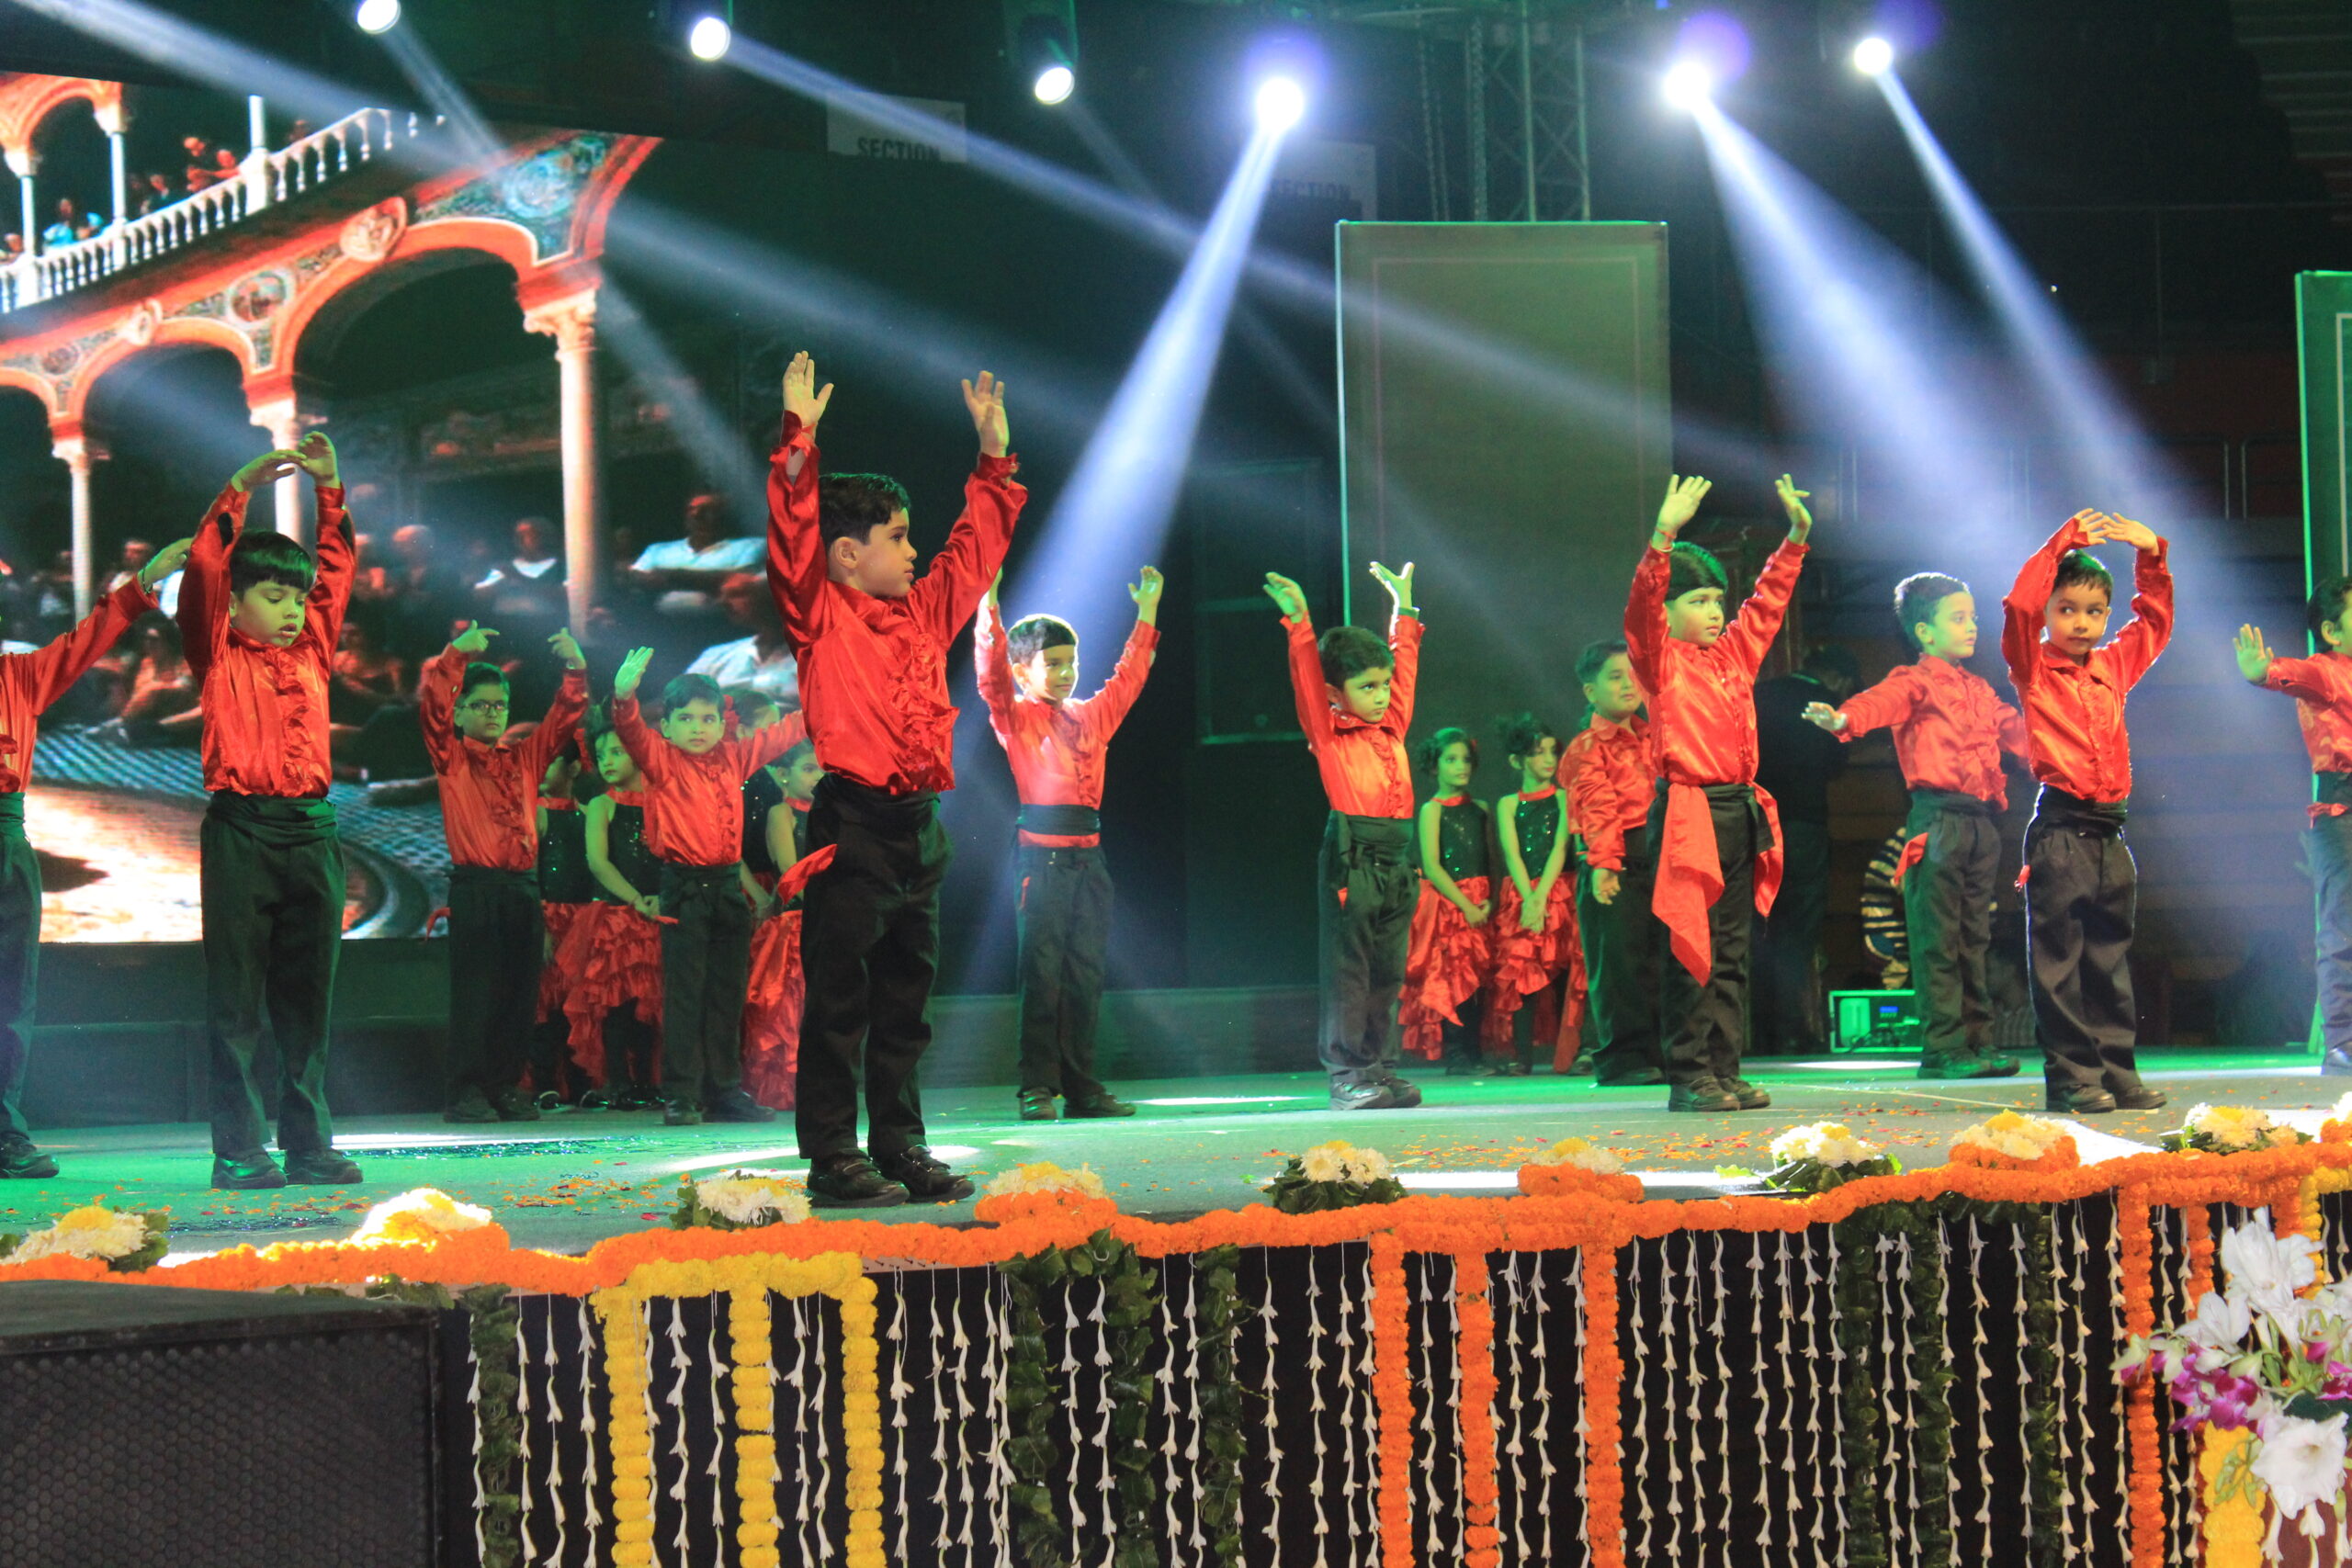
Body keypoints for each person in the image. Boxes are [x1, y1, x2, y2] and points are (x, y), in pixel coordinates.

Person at [768, 352, 1021, 1206]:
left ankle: (900, 1143)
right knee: (840, 1002)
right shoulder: (820, 614)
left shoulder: (921, 612)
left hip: (918, 826)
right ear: (847, 554)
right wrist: (799, 440)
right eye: (899, 537)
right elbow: (792, 538)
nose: (915, 551)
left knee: (906, 1001)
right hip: (853, 827)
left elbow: (973, 552)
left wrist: (993, 458)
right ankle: (833, 1155)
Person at [175, 433, 366, 1190]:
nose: (292, 609)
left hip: (312, 831)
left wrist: (330, 490)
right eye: (275, 596)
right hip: (242, 831)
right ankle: (238, 1148)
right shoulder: (215, 649)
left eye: (297, 597)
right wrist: (240, 486)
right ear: (236, 601)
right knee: (236, 1002)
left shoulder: (313, 648)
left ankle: (308, 1143)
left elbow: (337, 570)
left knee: (307, 999)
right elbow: (203, 568)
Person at [0, 537, 190, 1178]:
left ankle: (3, 1131)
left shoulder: (18, 676)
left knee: (10, 997)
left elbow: (88, 640)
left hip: (6, 841)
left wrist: (144, 582)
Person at [1626, 474, 1815, 1112]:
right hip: (1690, 811)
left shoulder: (1732, 656)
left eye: (1716, 599)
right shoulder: (1658, 661)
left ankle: (1724, 1066)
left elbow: (1766, 605)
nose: (1714, 611)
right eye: (1699, 600)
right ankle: (1689, 1074)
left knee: (1732, 950)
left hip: (1738, 807)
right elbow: (1641, 608)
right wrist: (1662, 537)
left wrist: (1795, 539)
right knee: (1693, 947)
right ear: (1669, 610)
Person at [1805, 572, 2029, 1079]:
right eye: (1958, 618)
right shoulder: (1915, 681)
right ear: (1924, 632)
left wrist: (2064, 751)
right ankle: (1943, 1047)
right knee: (1937, 939)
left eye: (1972, 617)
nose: (1971, 626)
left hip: (1980, 821)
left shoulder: (1978, 689)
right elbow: (1879, 702)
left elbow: (2017, 733)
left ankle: (1978, 1040)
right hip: (1939, 818)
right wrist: (1844, 720)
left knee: (1974, 938)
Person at [973, 565, 1162, 1122]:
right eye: (1052, 663)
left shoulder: (1092, 717)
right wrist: (989, 604)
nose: (1065, 673)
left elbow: (1130, 677)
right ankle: (1036, 1087)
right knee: (1042, 974)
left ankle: (1082, 1087)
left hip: (1088, 858)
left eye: (1071, 662)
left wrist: (1147, 612)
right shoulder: (1014, 717)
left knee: (1085, 974)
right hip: (1042, 859)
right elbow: (989, 675)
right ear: (1022, 671)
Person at [2001, 510, 2173, 1115]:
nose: (2081, 622)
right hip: (2061, 830)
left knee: (2109, 960)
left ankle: (2116, 1071)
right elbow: (2018, 607)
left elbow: (2153, 622)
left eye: (2095, 611)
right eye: (2067, 608)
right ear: (2049, 613)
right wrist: (2060, 543)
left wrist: (2151, 557)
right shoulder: (2032, 666)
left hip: (2110, 833)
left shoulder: (2113, 666)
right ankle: (2072, 1076)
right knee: (2059, 964)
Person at [610, 656, 805, 1126]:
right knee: (685, 996)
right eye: (686, 719)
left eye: (707, 718)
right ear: (668, 726)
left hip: (725, 888)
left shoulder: (735, 756)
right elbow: (631, 730)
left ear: (722, 723)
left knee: (726, 994)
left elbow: (785, 732)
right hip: (683, 888)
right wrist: (623, 696)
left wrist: (822, 689)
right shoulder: (660, 758)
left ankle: (724, 1091)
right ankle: (681, 1094)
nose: (697, 728)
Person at [1265, 559, 1425, 1112]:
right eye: (1367, 687)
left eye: (1383, 685)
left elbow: (1405, 668)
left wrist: (1405, 611)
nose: (1381, 695)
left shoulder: (1391, 724)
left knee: (1388, 971)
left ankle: (1379, 1065)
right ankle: (1347, 1073)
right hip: (1353, 854)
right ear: (1336, 693)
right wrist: (1300, 622)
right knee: (1350, 970)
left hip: (1398, 858)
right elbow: (1307, 681)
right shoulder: (1328, 731)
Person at [420, 621, 588, 1122]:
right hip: (477, 889)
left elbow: (562, 720)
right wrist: (455, 655)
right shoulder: (450, 756)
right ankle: (465, 1091)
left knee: (519, 995)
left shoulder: (524, 759)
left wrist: (575, 668)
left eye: (500, 706)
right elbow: (432, 709)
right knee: (477, 995)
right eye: (481, 705)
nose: (493, 713)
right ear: (460, 711)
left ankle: (505, 1085)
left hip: (521, 889)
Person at [2238, 582, 2352, 1076]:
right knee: (2344, 932)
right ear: (2332, 631)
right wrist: (2263, 672)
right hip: (2344, 815)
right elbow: (2292, 674)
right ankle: (2343, 1043)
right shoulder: (2327, 671)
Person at [1750, 645, 1856, 1058]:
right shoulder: (1826, 705)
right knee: (1798, 930)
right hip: (1805, 825)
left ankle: (1759, 1033)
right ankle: (1793, 1030)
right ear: (1839, 680)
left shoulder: (1760, 694)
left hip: (1757, 824)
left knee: (1759, 928)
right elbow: (1836, 765)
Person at [1568, 638, 1665, 1088]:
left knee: (1658, 960)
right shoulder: (1587, 745)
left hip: (1657, 857)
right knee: (1618, 966)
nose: (1628, 684)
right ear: (1590, 691)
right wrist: (1606, 864)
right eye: (1615, 676)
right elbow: (1597, 809)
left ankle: (1661, 1052)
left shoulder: (1654, 736)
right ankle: (1622, 1058)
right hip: (1612, 862)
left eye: (1633, 675)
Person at [569, 721, 662, 1106]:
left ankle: (649, 1081)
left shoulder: (663, 801)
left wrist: (661, 898)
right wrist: (637, 899)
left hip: (658, 914)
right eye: (602, 754)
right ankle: (619, 1082)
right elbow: (598, 862)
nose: (607, 761)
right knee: (616, 1004)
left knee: (652, 1005)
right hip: (618, 918)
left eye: (617, 752)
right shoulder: (602, 805)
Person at [1487, 712, 1584, 1074]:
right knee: (1523, 968)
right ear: (1517, 761)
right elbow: (1511, 852)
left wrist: (1542, 895)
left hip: (1559, 889)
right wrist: (1529, 899)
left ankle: (1570, 1053)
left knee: (1564, 969)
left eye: (1551, 751)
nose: (1548, 759)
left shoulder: (1562, 798)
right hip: (1522, 893)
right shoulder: (1508, 804)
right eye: (1538, 753)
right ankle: (1521, 1055)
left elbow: (1561, 847)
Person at [1398, 728, 1495, 1072]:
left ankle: (1475, 1052)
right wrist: (1465, 905)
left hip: (1481, 901)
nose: (1461, 766)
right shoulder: (1432, 810)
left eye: (1465, 759)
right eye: (1451, 759)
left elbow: (1490, 859)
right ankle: (1458, 1055)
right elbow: (1433, 866)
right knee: (1456, 977)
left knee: (1479, 979)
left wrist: (1490, 901)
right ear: (1434, 765)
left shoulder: (1481, 809)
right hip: (1451, 904)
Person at [742, 738, 828, 1110]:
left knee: (823, 1007)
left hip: (829, 919)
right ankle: (787, 1086)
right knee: (790, 1009)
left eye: (822, 769)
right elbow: (790, 871)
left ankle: (823, 1086)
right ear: (782, 775)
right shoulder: (782, 813)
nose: (818, 776)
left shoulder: (830, 813)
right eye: (808, 769)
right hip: (797, 920)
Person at [529, 750, 598, 1107]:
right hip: (548, 917)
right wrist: (539, 927)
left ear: (573, 767)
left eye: (551, 761)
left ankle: (581, 1083)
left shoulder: (589, 814)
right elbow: (530, 875)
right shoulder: (536, 813)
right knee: (546, 1004)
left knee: (579, 1005)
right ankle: (545, 1084)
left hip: (583, 921)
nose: (541, 769)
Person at [631, 493, 765, 623]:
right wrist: (702, 580)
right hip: (657, 622)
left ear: (724, 515)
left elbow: (741, 579)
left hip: (720, 623)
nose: (696, 515)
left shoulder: (752, 545)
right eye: (691, 509)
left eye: (706, 510)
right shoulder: (658, 549)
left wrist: (672, 575)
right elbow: (634, 577)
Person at [687, 572, 802, 711]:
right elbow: (676, 703)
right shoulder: (716, 656)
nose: (722, 602)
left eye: (738, 594)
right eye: (723, 596)